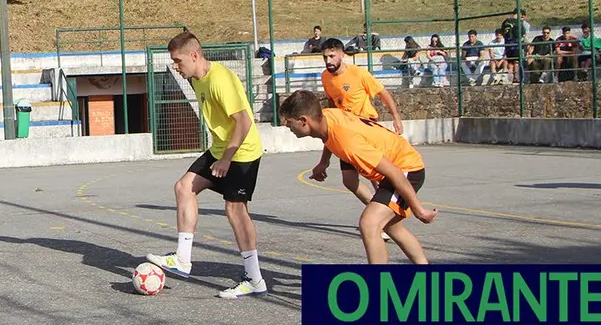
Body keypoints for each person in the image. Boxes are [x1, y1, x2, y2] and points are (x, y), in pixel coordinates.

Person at [146, 32, 268, 299]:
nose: (175, 67)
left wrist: (227, 159)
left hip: (242, 152)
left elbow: (244, 122)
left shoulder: (219, 80)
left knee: (235, 210)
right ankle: (183, 259)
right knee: (183, 187)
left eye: (178, 61)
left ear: (194, 55)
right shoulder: (196, 79)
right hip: (220, 149)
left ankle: (254, 279)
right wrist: (220, 154)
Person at [279, 90, 437, 265]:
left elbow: (394, 172)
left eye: (289, 123)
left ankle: (377, 287)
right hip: (393, 161)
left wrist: (419, 210)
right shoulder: (327, 117)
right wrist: (324, 162)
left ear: (303, 121)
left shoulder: (349, 142)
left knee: (369, 224)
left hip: (406, 168)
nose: (287, 127)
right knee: (390, 225)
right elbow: (328, 139)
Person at [317, 38, 404, 241]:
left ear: (342, 54)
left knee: (375, 176)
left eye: (331, 56)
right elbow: (332, 102)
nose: (328, 60)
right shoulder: (325, 77)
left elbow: (384, 93)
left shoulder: (358, 74)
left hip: (364, 129)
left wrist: (396, 118)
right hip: (344, 132)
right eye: (324, 57)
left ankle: (383, 220)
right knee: (349, 181)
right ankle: (378, 213)